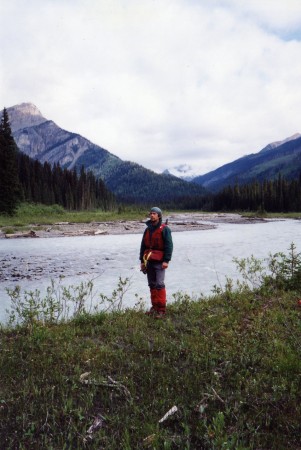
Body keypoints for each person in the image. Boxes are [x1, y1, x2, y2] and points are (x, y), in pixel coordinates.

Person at [140, 206, 173, 318]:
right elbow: (143, 246)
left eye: (154, 213)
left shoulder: (165, 229)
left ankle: (161, 310)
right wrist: (141, 261)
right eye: (151, 213)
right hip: (148, 261)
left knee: (159, 284)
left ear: (159, 216)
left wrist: (166, 260)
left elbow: (169, 245)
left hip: (160, 262)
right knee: (152, 285)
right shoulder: (147, 229)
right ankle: (154, 308)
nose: (152, 215)